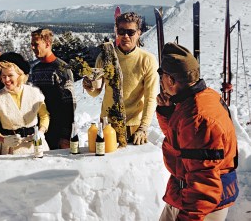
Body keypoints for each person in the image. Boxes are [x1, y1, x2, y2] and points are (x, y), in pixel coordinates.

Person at [156, 42, 238, 221]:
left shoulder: (198, 118)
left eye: (161, 75)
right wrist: (167, 112)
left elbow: (205, 185)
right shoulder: (204, 98)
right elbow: (181, 143)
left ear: (171, 80)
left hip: (199, 206)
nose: (160, 81)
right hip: (185, 196)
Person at [83, 12, 159, 145]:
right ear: (116, 31)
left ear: (139, 33)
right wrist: (89, 87)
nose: (125, 36)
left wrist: (143, 127)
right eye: (121, 31)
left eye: (130, 32)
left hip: (134, 127)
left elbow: (151, 97)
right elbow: (96, 91)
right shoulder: (105, 57)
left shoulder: (147, 60)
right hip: (107, 124)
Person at [0, 52, 50, 154]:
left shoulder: (35, 93)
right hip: (10, 149)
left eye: (10, 75)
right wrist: (3, 140)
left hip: (36, 146)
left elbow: (44, 116)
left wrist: (41, 132)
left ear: (20, 75)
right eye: (3, 76)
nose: (6, 80)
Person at [29, 28, 75, 150]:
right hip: (40, 129)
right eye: (32, 44)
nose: (32, 48)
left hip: (58, 130)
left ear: (48, 44)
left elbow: (70, 105)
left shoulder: (62, 69)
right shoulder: (35, 69)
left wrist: (66, 136)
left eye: (36, 44)